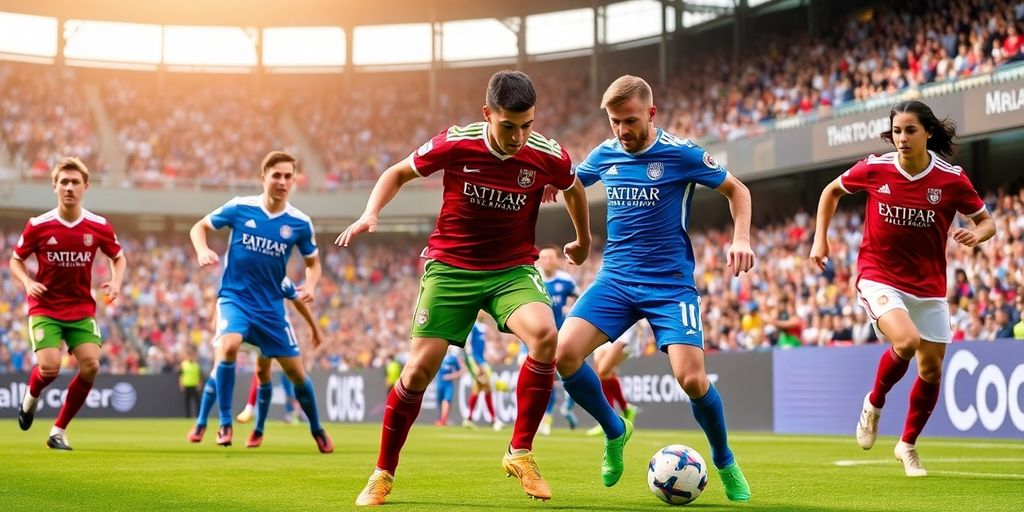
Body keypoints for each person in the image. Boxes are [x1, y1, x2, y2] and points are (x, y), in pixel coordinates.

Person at [338, 70, 591, 506]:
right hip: (451, 268)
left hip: (512, 268)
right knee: (418, 372)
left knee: (547, 335)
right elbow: (397, 172)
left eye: (527, 125)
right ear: (487, 114)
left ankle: (520, 452)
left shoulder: (548, 155)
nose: (518, 137)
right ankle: (382, 473)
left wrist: (584, 240)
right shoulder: (456, 142)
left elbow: (574, 188)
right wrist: (370, 214)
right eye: (508, 126)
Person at [553, 75, 754, 501]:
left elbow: (738, 190)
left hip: (670, 286)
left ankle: (724, 461)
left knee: (692, 380)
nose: (622, 131)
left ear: (650, 113)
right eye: (614, 122)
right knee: (565, 354)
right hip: (615, 280)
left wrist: (741, 238)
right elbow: (570, 184)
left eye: (629, 121)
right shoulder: (604, 154)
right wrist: (582, 238)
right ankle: (614, 429)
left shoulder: (681, 154)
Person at [810, 99, 995, 477]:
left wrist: (977, 234)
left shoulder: (951, 178)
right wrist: (820, 241)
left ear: (928, 132)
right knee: (906, 342)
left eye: (910, 130)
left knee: (931, 371)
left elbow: (987, 222)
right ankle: (874, 404)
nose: (902, 138)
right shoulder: (876, 168)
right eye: (897, 131)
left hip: (929, 285)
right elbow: (830, 191)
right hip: (879, 274)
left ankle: (907, 446)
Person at [188, 150, 332, 453]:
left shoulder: (299, 223)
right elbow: (198, 227)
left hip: (271, 309)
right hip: (235, 298)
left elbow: (313, 263)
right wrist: (202, 250)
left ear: (294, 181)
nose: (282, 181)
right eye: (276, 175)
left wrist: (312, 285)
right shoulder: (240, 208)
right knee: (227, 347)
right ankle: (224, 422)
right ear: (263, 177)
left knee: (296, 373)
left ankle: (317, 428)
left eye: (288, 176)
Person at [12, 156, 127, 450]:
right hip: (46, 307)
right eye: (63, 181)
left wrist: (116, 282)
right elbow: (16, 260)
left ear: (85, 186)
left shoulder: (98, 225)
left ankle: (58, 431)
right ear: (54, 186)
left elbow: (118, 256)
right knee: (49, 368)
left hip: (80, 309)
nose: (69, 187)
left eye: (75, 182)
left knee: (91, 365)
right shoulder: (38, 225)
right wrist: (27, 282)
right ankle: (31, 398)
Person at [187, 279, 322, 447]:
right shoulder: (239, 271)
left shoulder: (276, 275)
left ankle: (258, 429)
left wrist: (313, 327)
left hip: (264, 326)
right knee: (219, 366)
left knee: (262, 373)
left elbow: (296, 298)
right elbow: (224, 298)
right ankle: (202, 423)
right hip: (238, 323)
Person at [536, 245, 580, 433]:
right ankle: (540, 417)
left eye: (550, 257)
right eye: (542, 257)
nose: (546, 260)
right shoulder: (533, 277)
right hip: (535, 334)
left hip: (559, 335)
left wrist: (571, 313)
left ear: (557, 260)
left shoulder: (566, 280)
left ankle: (554, 414)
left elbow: (583, 297)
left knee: (556, 375)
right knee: (534, 373)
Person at [461, 314, 503, 430]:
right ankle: (494, 420)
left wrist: (488, 357)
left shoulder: (483, 327)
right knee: (487, 387)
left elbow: (483, 347)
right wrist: (473, 363)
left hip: (482, 361)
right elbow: (468, 346)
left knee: (479, 388)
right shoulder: (473, 326)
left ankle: (469, 419)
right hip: (476, 362)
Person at [433, 346, 465, 426]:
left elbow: (462, 371)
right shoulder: (439, 357)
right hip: (439, 383)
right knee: (440, 402)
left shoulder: (453, 359)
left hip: (448, 384)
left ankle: (443, 420)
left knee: (446, 401)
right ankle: (443, 419)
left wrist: (451, 376)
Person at [180, 347, 202, 418]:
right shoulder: (183, 364)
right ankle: (188, 416)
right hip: (187, 385)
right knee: (187, 402)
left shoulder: (196, 365)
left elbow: (198, 376)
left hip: (194, 385)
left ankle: (198, 415)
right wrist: (181, 384)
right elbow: (181, 375)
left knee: (197, 402)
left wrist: (199, 384)